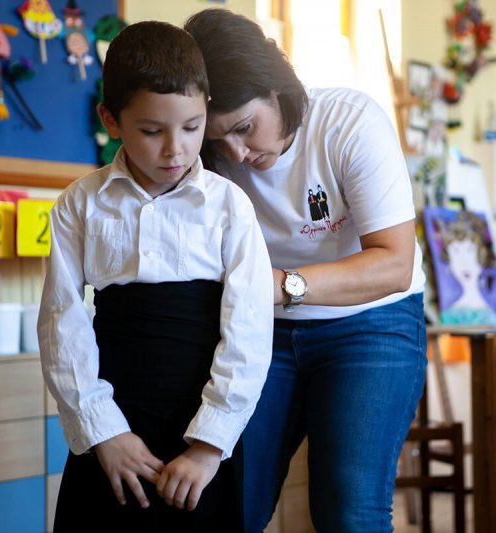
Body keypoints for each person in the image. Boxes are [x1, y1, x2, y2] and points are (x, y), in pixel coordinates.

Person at [185, 9, 427, 532]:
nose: (238, 153)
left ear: (277, 86)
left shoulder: (348, 122)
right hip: (264, 334)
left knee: (347, 509)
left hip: (371, 325)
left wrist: (282, 286)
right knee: (231, 502)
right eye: (218, 139)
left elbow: (394, 263)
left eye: (246, 128)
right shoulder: (211, 158)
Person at [37, 20, 273, 532]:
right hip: (113, 428)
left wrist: (209, 447)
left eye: (191, 127)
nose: (175, 150)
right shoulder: (80, 204)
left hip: (201, 428)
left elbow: (250, 333)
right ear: (110, 119)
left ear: (206, 105)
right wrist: (105, 435)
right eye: (151, 131)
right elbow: (62, 325)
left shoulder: (229, 206)